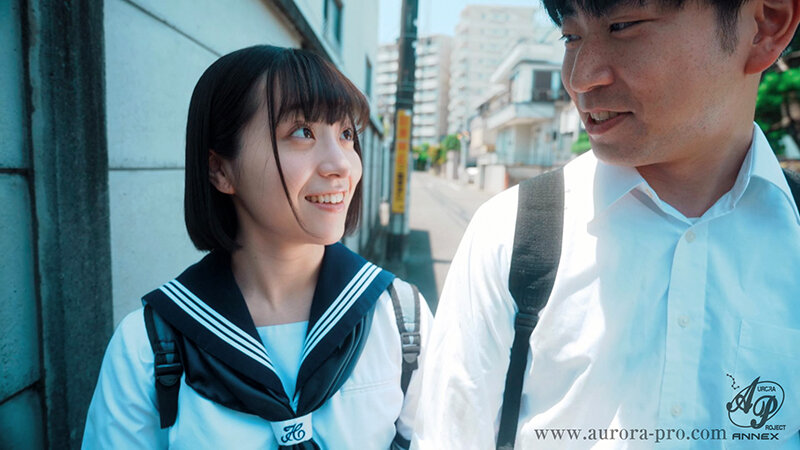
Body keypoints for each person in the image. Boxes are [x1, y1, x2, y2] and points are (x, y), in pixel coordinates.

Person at [412, 0, 800, 447]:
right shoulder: (511, 233)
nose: (580, 78)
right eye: (570, 36)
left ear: (765, 25)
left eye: (623, 26)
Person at [82, 45, 432, 449]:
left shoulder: (401, 318)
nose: (341, 164)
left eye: (346, 134)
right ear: (220, 169)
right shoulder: (150, 346)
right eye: (302, 132)